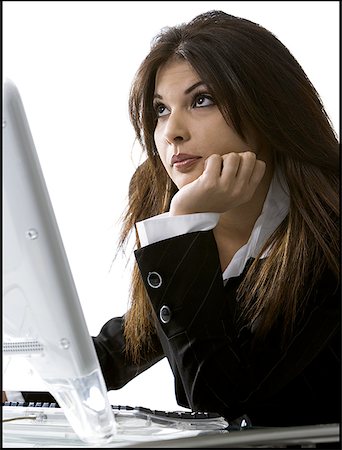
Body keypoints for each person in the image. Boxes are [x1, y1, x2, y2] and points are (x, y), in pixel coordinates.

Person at [7, 10, 340, 431]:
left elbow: (220, 393)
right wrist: (16, 391)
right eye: (161, 110)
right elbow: (136, 338)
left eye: (201, 100)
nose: (171, 132)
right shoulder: (166, 195)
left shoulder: (330, 222)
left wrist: (184, 224)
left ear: (267, 107)